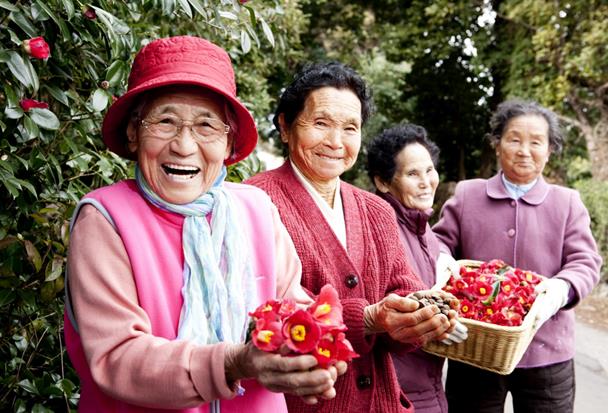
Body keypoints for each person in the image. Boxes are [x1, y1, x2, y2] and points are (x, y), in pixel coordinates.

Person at [64, 36, 345, 413]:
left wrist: (315, 352)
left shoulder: (256, 209)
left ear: (228, 145)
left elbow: (290, 305)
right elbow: (117, 356)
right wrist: (231, 363)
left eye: (206, 126)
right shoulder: (104, 218)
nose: (184, 145)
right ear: (133, 133)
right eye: (165, 121)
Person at [245, 62, 458, 413]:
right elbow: (261, 316)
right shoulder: (252, 202)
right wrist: (369, 319)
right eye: (321, 123)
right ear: (285, 126)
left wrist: (412, 320)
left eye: (350, 128)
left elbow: (403, 290)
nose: (335, 142)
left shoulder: (377, 210)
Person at [433, 99, 602, 412]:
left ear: (549, 149)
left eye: (536, 142)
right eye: (514, 139)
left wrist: (561, 288)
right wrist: (441, 263)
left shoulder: (567, 203)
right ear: (497, 145)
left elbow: (585, 261)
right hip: (475, 346)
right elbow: (439, 243)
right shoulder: (469, 195)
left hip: (547, 351)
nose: (525, 150)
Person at [366, 123, 468, 413]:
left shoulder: (426, 231)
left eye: (429, 170)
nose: (426, 181)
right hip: (398, 392)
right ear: (384, 182)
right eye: (412, 174)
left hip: (430, 385)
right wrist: (425, 323)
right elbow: (377, 308)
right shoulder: (379, 228)